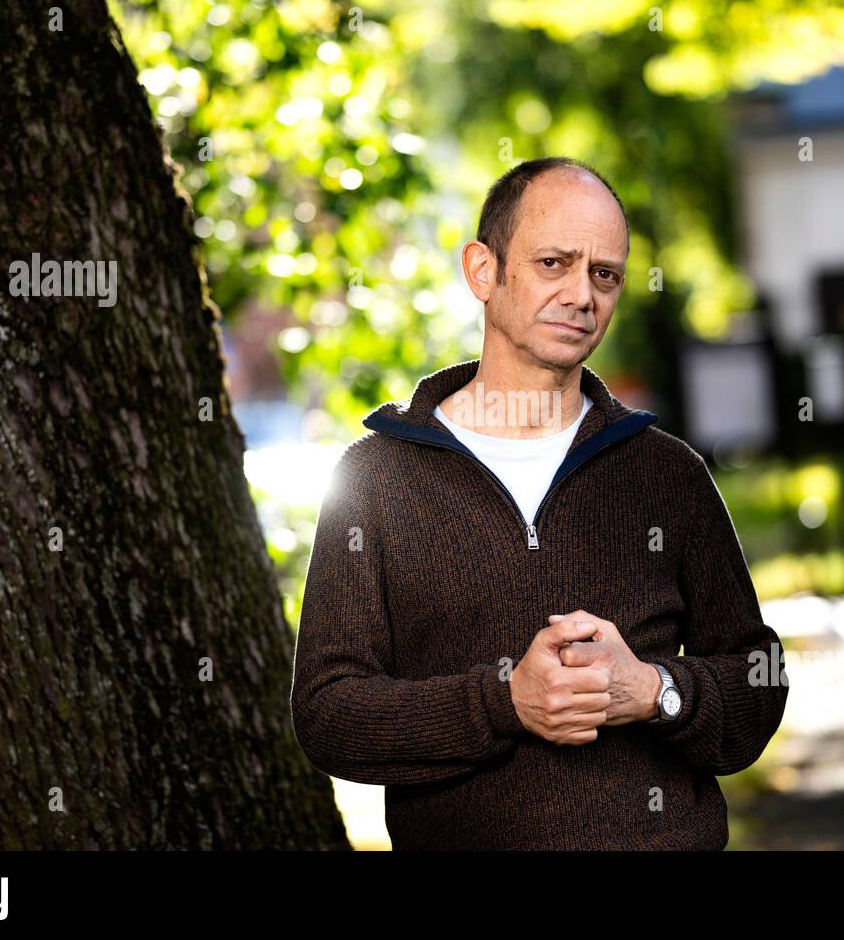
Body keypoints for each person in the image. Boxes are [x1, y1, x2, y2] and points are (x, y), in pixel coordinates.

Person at [290, 156, 789, 849]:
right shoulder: (375, 478)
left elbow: (757, 680)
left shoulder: (667, 474)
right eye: (554, 263)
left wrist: (653, 689)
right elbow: (328, 715)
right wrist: (504, 701)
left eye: (604, 274)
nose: (583, 294)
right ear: (482, 271)